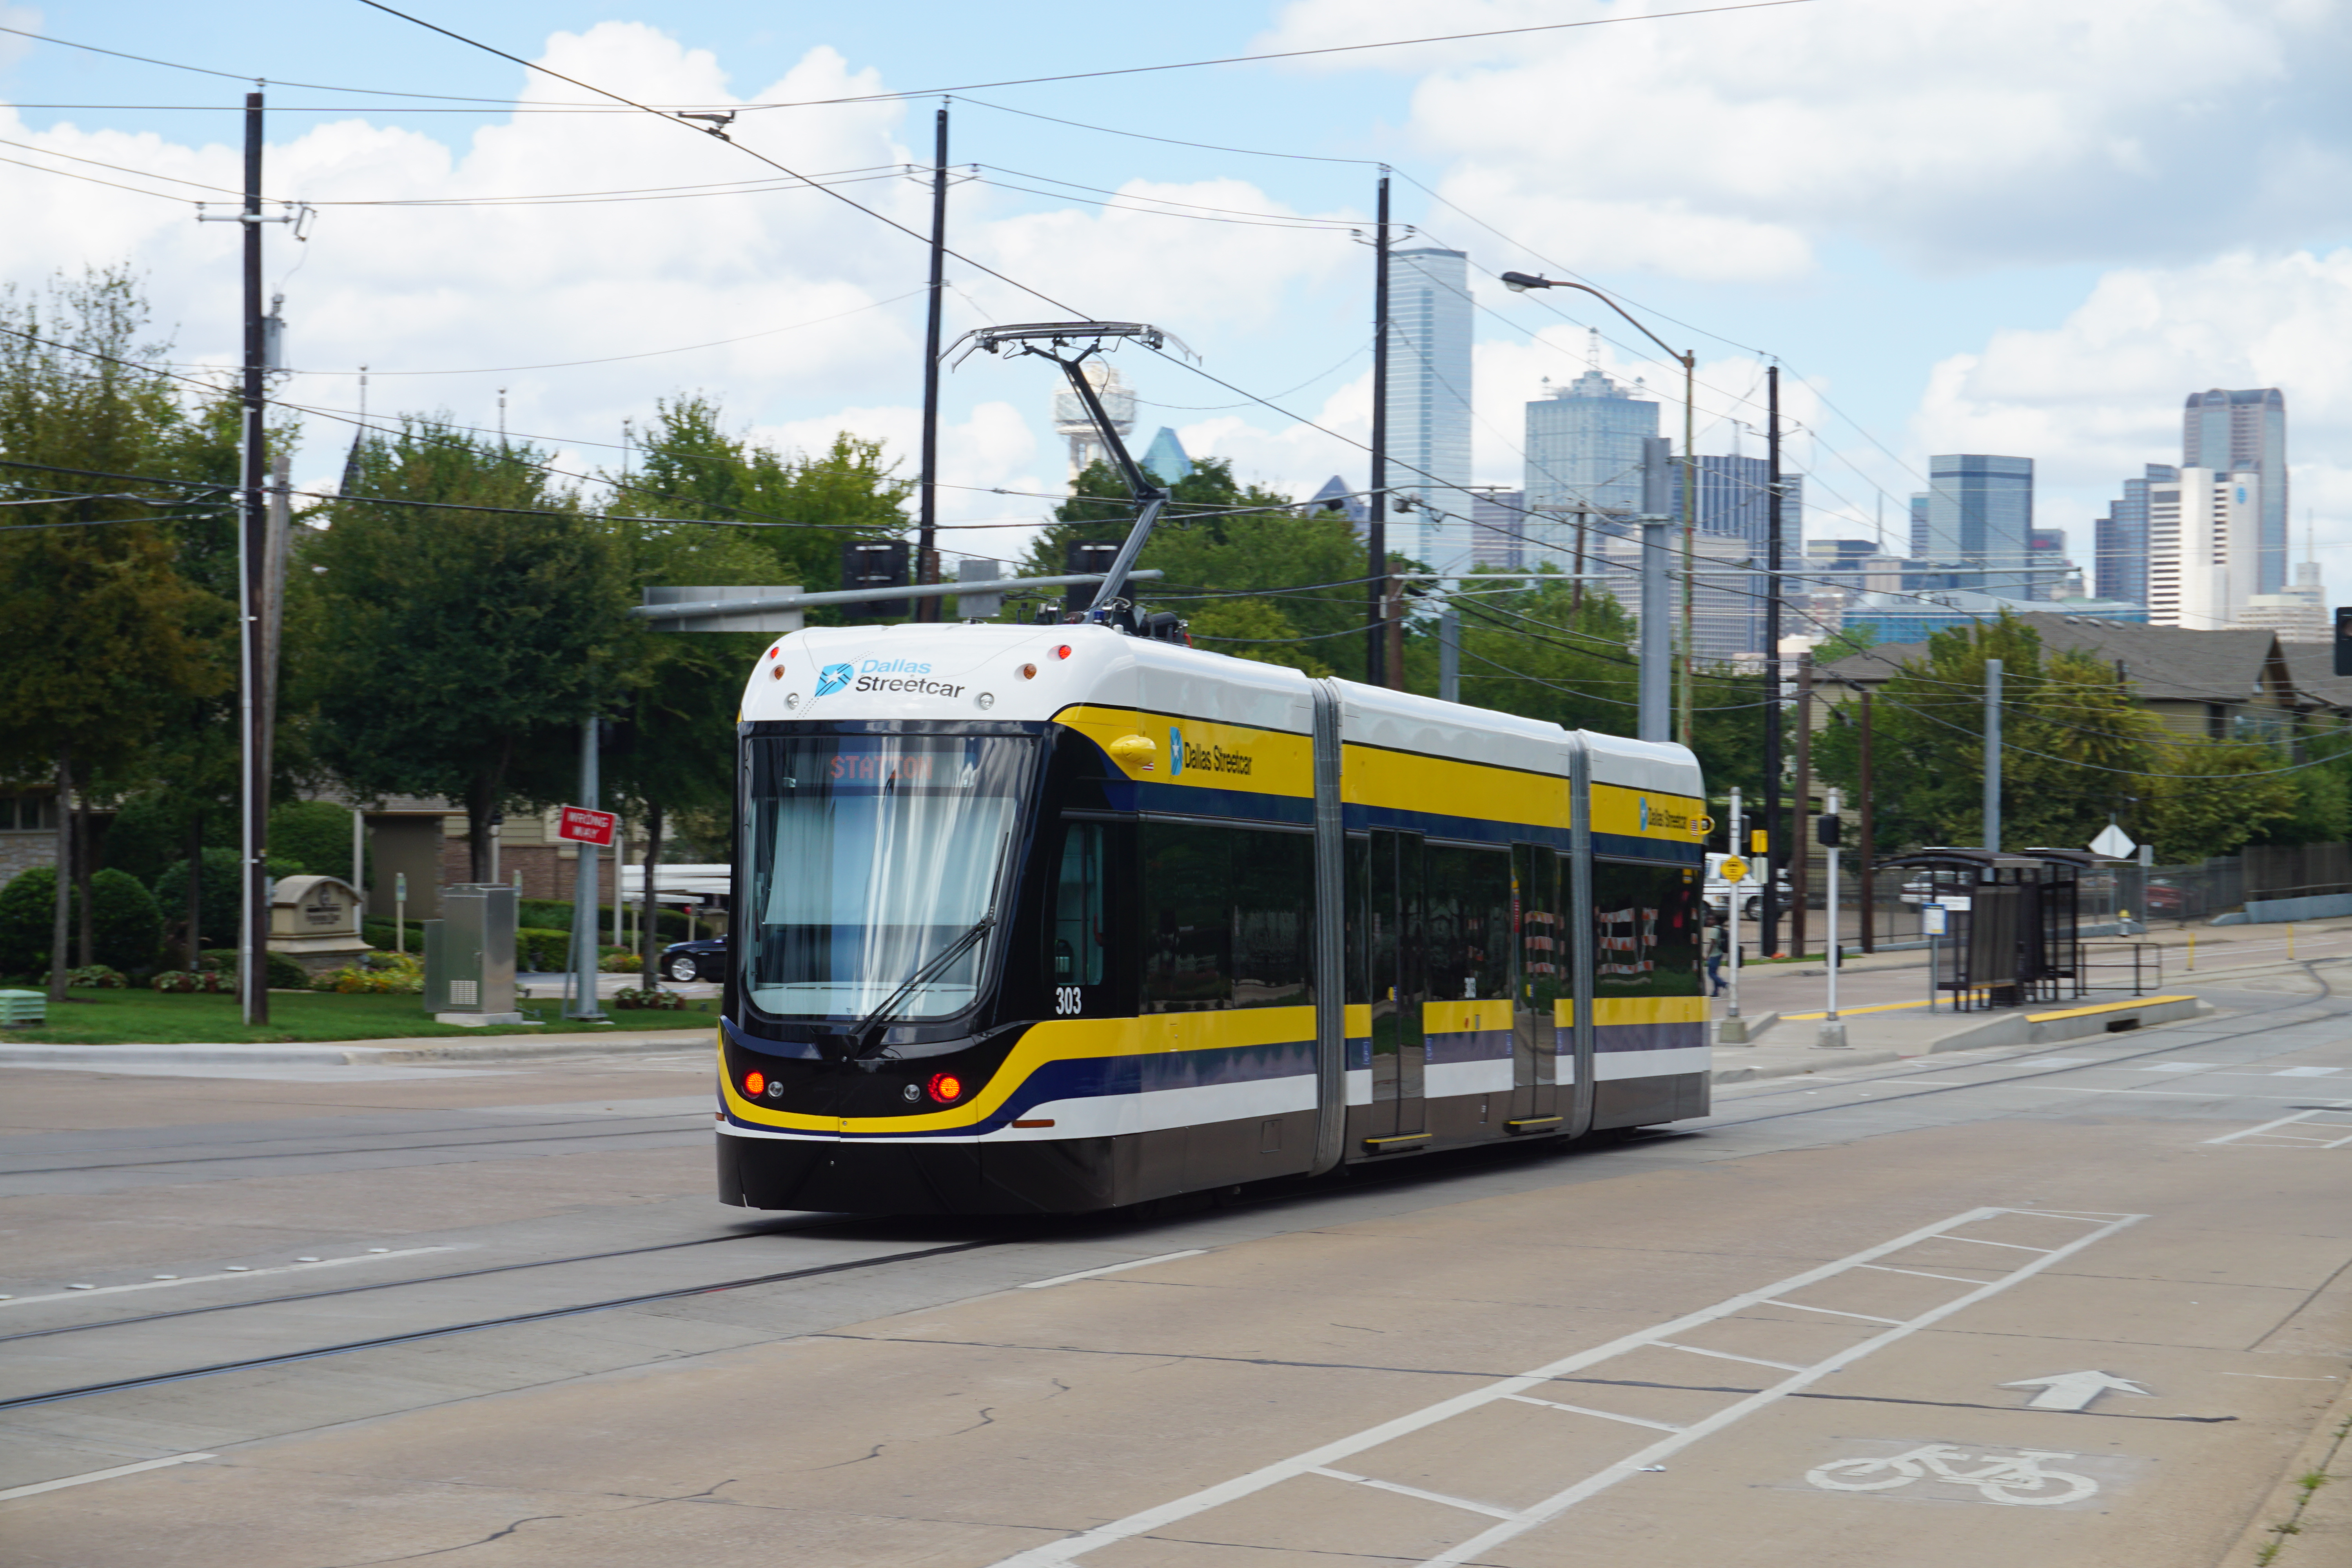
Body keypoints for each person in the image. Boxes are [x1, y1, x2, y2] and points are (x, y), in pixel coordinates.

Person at [1705, 910, 1728, 996]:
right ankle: (1716, 992)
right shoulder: (1719, 929)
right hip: (1719, 953)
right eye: (1708, 920)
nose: (1709, 921)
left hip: (1714, 955)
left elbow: (1713, 943)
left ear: (1715, 921)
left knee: (1711, 974)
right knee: (1714, 973)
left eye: (1711, 920)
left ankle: (1725, 984)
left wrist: (1708, 955)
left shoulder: (1713, 930)